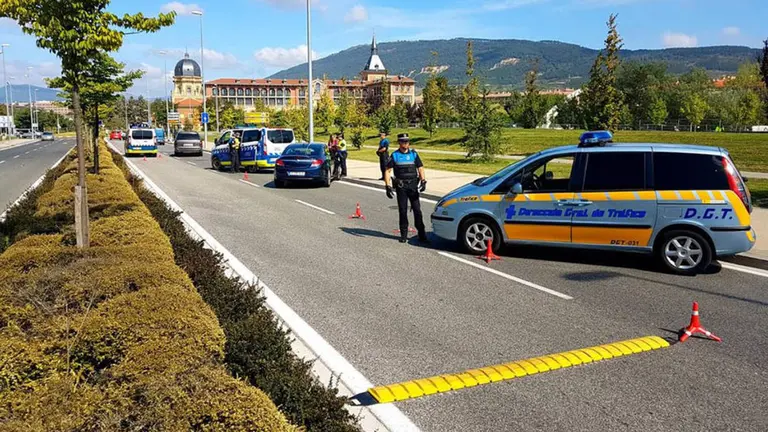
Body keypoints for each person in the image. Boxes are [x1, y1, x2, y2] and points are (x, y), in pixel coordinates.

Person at [384, 133, 428, 244]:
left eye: (407, 141)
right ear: (399, 142)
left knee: (417, 210)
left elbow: (420, 168)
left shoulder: (414, 154)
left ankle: (422, 234)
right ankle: (403, 235)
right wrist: (388, 186)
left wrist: (423, 181)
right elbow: (388, 171)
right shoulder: (395, 155)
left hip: (413, 186)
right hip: (401, 187)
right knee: (403, 211)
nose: (406, 143)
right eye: (403, 141)